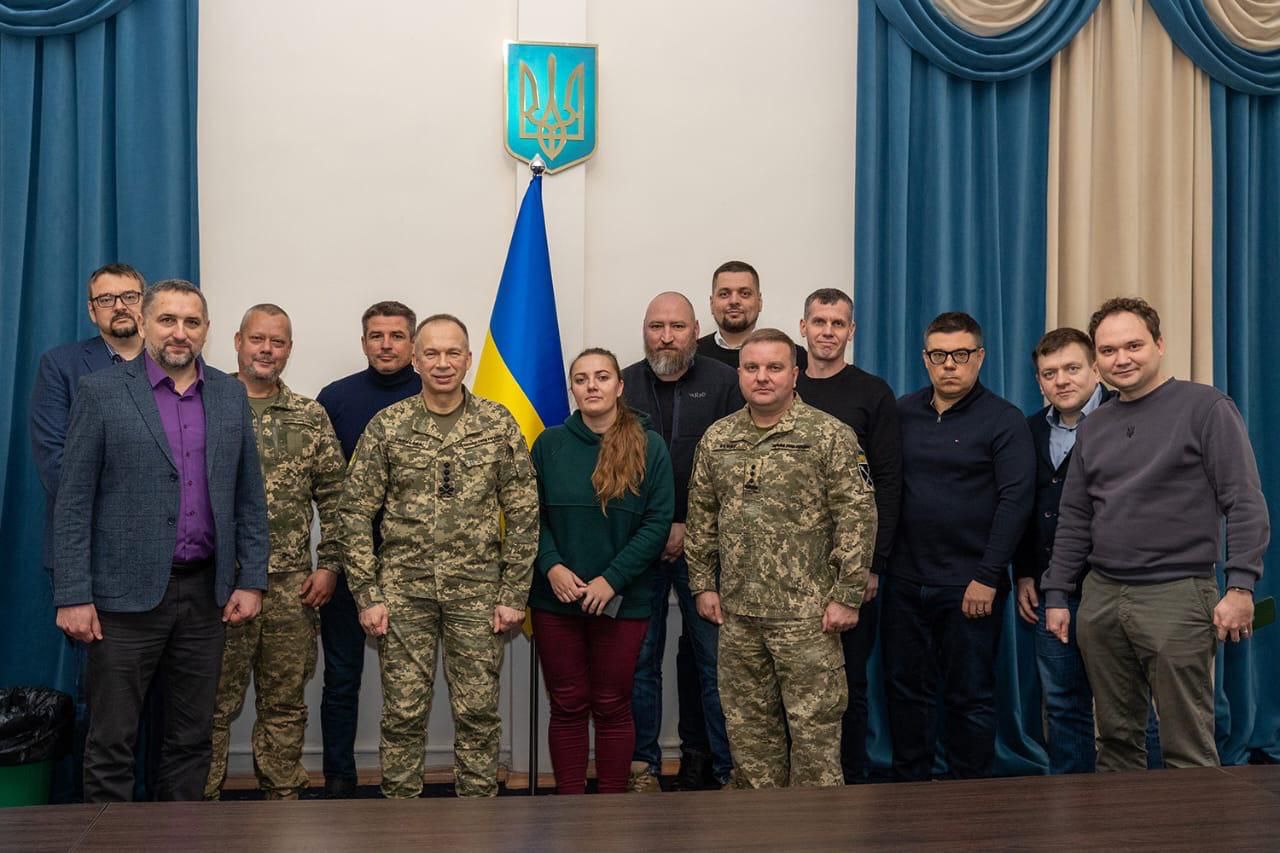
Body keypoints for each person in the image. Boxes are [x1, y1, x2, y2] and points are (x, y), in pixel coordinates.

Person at [52, 279, 269, 802]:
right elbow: (73, 501)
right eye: (167, 320)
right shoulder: (101, 392)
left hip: (205, 597)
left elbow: (248, 496)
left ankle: (178, 836)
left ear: (207, 330)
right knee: (112, 741)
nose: (179, 332)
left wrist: (252, 580)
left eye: (191, 322)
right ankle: (109, 839)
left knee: (191, 740)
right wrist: (73, 594)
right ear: (145, 323)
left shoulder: (229, 394)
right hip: (122, 601)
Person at [1042, 298, 1269, 770]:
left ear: (1160, 345)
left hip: (1178, 596)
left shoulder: (1207, 407)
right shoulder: (1094, 426)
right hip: (1102, 598)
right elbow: (1075, 518)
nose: (1121, 358)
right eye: (1108, 350)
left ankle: (1199, 821)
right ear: (1097, 359)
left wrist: (1241, 586)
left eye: (1133, 345)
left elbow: (1244, 501)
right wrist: (1058, 593)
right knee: (1116, 744)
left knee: (1187, 746)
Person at [339, 314, 538, 798]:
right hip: (403, 593)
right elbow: (354, 513)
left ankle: (478, 817)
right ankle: (400, 817)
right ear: (415, 359)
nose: (442, 363)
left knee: (478, 713)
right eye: (431, 353)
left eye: (452, 353)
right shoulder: (388, 426)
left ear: (468, 359)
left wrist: (513, 593)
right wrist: (367, 594)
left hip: (478, 593)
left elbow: (524, 511)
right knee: (403, 713)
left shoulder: (496, 423)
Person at [687, 328, 876, 789]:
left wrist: (847, 595)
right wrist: (702, 584)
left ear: (795, 374)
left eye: (774, 367)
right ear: (739, 374)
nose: (762, 377)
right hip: (739, 616)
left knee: (814, 740)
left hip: (808, 618)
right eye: (752, 368)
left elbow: (857, 516)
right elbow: (701, 515)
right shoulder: (718, 437)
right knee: (749, 740)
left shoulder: (829, 435)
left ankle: (817, 828)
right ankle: (760, 826)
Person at [204, 304, 346, 800]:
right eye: (258, 339)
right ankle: (199, 808)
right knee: (209, 705)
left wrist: (330, 565)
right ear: (237, 341)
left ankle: (282, 806)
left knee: (285, 704)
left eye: (278, 342)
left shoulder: (309, 415)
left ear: (289, 349)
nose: (267, 350)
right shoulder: (205, 403)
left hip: (291, 587)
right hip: (218, 583)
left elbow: (336, 497)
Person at [883, 311, 1033, 781]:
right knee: (906, 692)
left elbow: (1015, 503)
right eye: (939, 355)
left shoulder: (1004, 419)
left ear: (980, 357)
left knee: (969, 696)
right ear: (925, 359)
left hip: (971, 585)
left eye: (961, 355)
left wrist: (987, 576)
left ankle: (970, 795)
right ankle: (910, 786)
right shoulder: (902, 413)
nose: (950, 364)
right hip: (905, 582)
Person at [1012, 327, 1162, 774]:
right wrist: (1025, 572)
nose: (1062, 381)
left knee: (1132, 708)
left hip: (1118, 589)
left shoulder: (1129, 419)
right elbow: (1022, 506)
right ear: (1039, 381)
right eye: (1049, 373)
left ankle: (1151, 798)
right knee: (1062, 703)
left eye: (1072, 368)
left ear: (1095, 370)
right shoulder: (1028, 430)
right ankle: (1073, 799)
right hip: (1053, 591)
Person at [30, 263, 153, 802]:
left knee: (167, 706)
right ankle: (102, 823)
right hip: (94, 560)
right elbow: (58, 466)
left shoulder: (172, 363)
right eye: (106, 299)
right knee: (104, 705)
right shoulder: (62, 367)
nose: (120, 306)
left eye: (130, 296)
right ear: (91, 310)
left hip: (171, 566)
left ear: (146, 302)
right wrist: (138, 506)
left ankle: (164, 819)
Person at [529, 348, 675, 795]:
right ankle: (570, 805)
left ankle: (612, 809)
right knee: (568, 704)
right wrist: (551, 565)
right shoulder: (548, 444)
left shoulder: (649, 445)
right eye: (581, 379)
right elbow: (528, 516)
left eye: (602, 376)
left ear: (619, 385)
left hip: (623, 598)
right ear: (572, 389)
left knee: (613, 703)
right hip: (556, 599)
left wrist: (612, 579)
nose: (592, 385)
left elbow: (657, 522)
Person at [623, 292, 741, 792]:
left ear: (696, 330)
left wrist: (690, 525)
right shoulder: (622, 384)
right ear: (644, 332)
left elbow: (737, 467)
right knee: (640, 662)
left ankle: (730, 770)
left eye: (676, 326)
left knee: (717, 663)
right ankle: (643, 768)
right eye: (656, 327)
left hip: (707, 549)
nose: (666, 337)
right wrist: (659, 526)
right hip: (638, 549)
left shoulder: (726, 382)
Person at [794, 288, 901, 784]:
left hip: (849, 567)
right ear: (803, 327)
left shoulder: (872, 393)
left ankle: (852, 780)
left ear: (851, 331)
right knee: (792, 686)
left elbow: (889, 482)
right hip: (788, 570)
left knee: (849, 682)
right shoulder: (784, 385)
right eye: (819, 321)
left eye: (838, 323)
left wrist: (872, 566)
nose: (828, 332)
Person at [315, 300, 421, 798]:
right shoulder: (335, 399)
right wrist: (332, 562)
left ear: (413, 344)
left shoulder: (433, 394)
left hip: (415, 566)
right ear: (363, 342)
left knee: (411, 684)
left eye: (397, 335)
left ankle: (403, 780)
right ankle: (338, 777)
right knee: (341, 677)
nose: (386, 344)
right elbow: (321, 487)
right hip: (347, 563)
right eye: (376, 336)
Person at [696, 260, 806, 370]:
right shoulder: (692, 354)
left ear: (759, 302)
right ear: (712, 303)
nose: (734, 301)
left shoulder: (793, 355)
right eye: (724, 294)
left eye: (745, 293)